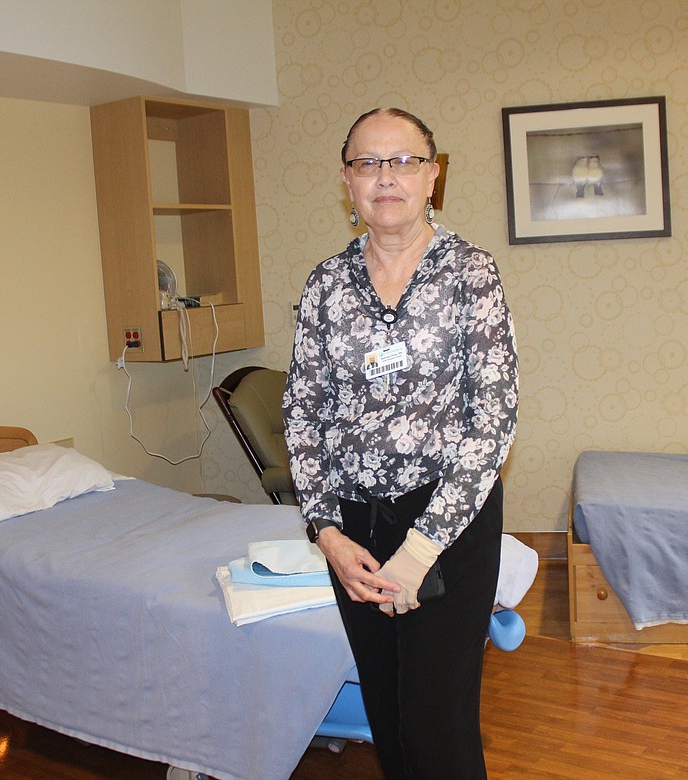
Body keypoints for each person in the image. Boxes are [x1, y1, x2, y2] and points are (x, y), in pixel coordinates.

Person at [282, 107, 518, 779]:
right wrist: (326, 531)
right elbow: (303, 412)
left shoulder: (471, 273)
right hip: (354, 530)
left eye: (404, 161)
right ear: (347, 182)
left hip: (450, 525)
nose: (386, 177)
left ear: (433, 176)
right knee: (387, 717)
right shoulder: (326, 285)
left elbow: (493, 417)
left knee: (435, 722)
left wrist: (419, 551)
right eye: (368, 163)